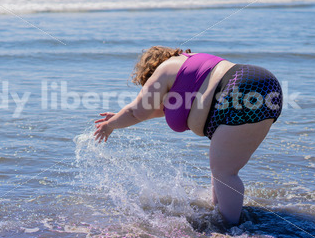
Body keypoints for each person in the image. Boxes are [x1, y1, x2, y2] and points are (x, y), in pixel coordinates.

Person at [94, 46, 283, 225]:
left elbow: (137, 111)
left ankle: (230, 230)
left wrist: (110, 125)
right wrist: (119, 117)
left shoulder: (163, 69)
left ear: (148, 70)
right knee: (222, 169)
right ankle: (223, 215)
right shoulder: (189, 66)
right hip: (265, 86)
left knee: (224, 172)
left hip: (237, 88)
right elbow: (156, 109)